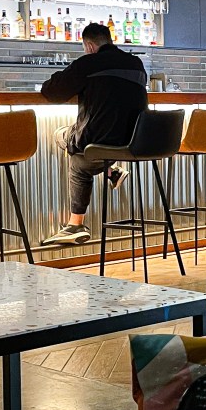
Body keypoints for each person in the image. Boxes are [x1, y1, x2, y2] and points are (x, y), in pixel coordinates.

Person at [39, 23, 147, 245]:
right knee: (86, 151)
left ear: (89, 45)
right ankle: (111, 171)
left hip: (100, 139)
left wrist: (66, 74)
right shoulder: (136, 63)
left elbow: (52, 91)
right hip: (135, 140)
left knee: (66, 143)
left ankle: (75, 225)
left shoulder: (88, 63)